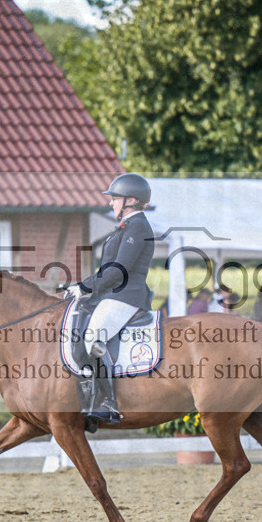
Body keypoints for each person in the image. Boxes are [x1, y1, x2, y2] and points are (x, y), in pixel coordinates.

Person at [67, 173, 155, 429]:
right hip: (114, 294)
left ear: (131, 200)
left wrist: (87, 286)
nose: (110, 203)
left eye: (115, 198)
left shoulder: (138, 227)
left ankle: (107, 403)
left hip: (127, 296)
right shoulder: (126, 226)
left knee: (93, 337)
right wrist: (82, 287)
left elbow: (119, 270)